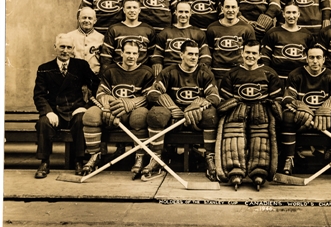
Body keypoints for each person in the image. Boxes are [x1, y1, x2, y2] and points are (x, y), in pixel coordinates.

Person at [144, 39, 221, 181]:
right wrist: (171, 107)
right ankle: (156, 157)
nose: (193, 57)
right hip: (174, 117)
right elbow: (152, 94)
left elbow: (215, 97)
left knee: (211, 115)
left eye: (196, 55)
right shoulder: (169, 72)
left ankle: (210, 157)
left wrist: (200, 104)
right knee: (156, 115)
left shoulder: (204, 72)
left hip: (195, 117)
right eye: (190, 54)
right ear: (181, 55)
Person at [82, 40, 155, 178]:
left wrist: (130, 103)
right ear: (121, 53)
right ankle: (95, 155)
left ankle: (139, 157)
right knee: (90, 116)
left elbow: (148, 97)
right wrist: (109, 107)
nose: (131, 56)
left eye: (134, 53)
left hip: (133, 111)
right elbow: (101, 93)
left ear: (139, 55)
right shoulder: (111, 70)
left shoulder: (146, 72)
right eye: (128, 52)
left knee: (140, 118)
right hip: (111, 109)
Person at [216, 40, 283, 190]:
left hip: (260, 112)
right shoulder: (232, 74)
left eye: (254, 53)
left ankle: (259, 170)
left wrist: (271, 105)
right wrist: (232, 105)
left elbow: (276, 100)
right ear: (242, 52)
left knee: (261, 136)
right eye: (247, 52)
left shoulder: (269, 73)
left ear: (260, 55)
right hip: (237, 112)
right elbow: (224, 100)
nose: (250, 56)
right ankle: (235, 170)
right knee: (233, 134)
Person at [280, 44, 331, 182]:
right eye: (311, 57)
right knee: (286, 117)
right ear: (306, 59)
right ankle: (289, 159)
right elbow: (287, 99)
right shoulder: (296, 75)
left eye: (318, 57)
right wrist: (299, 105)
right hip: (303, 119)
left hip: (325, 119)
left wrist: (329, 108)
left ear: (324, 59)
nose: (315, 61)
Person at [33, 34, 100, 179]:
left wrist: (86, 106)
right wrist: (48, 112)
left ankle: (78, 161)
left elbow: (97, 86)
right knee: (43, 123)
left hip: (76, 108)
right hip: (55, 111)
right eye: (62, 46)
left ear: (73, 49)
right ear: (55, 47)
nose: (65, 50)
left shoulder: (80, 66)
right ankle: (44, 162)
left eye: (69, 47)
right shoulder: (45, 68)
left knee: (82, 120)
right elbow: (39, 95)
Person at [150, 2, 211, 77]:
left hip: (191, 71)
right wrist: (157, 65)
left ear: (190, 13)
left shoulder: (198, 33)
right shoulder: (165, 32)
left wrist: (199, 71)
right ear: (175, 12)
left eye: (186, 12)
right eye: (180, 11)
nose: (183, 15)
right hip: (170, 71)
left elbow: (206, 57)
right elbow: (157, 55)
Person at [205, 0, 256, 83]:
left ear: (238, 9)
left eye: (233, 7)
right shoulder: (212, 28)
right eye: (227, 7)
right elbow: (209, 50)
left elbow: (252, 51)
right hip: (218, 73)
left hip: (239, 72)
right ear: (222, 9)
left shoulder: (247, 28)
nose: (230, 10)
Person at [260, 3, 313, 86]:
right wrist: (269, 74)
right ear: (283, 14)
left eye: (294, 12)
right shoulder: (273, 33)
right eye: (288, 12)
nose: (291, 16)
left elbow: (312, 57)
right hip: (278, 77)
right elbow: (265, 56)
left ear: (298, 14)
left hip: (300, 78)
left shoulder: (307, 35)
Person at [100, 0, 156, 71]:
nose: (132, 10)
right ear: (123, 10)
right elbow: (106, 56)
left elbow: (152, 56)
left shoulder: (148, 30)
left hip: (141, 71)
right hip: (118, 71)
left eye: (135, 7)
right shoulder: (114, 29)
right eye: (128, 7)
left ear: (139, 10)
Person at [65, 7, 104, 74]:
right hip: (74, 75)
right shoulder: (69, 36)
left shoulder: (101, 38)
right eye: (84, 17)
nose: (86, 20)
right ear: (79, 19)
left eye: (90, 18)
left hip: (94, 76)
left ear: (95, 21)